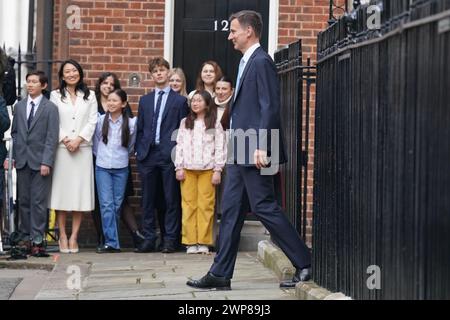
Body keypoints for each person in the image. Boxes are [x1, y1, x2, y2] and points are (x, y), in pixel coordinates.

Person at [187, 10, 312, 290]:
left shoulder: (261, 61)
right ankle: (220, 273)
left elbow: (270, 106)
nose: (230, 36)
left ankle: (304, 262)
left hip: (254, 149)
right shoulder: (247, 61)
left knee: (264, 207)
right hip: (240, 149)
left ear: (249, 32)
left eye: (233, 31)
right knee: (230, 211)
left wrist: (261, 146)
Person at [136, 57, 189, 253]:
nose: (159, 73)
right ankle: (149, 238)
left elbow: (183, 130)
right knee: (147, 200)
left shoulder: (180, 101)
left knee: (170, 199)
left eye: (162, 70)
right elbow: (140, 128)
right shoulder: (145, 100)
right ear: (151, 75)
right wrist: (139, 149)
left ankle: (170, 240)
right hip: (148, 154)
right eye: (155, 71)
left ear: (168, 72)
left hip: (169, 155)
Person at [5, 71, 58, 256]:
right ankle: (26, 238)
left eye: (35, 82)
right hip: (22, 160)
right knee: (24, 201)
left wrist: (47, 161)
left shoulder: (50, 108)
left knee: (38, 202)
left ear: (43, 85)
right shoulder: (19, 107)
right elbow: (15, 133)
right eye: (28, 81)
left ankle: (37, 239)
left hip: (40, 162)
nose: (30, 85)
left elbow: (52, 137)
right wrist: (13, 156)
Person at [49, 59, 98, 254]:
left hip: (83, 150)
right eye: (67, 71)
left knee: (79, 194)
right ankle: (62, 235)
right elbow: (53, 121)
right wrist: (66, 140)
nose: (71, 74)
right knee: (62, 194)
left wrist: (79, 139)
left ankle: (74, 237)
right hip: (62, 150)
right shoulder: (54, 95)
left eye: (74, 71)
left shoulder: (90, 95)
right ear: (62, 75)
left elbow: (93, 121)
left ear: (80, 73)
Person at [94, 72, 145, 250]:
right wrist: (102, 156)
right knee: (106, 205)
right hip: (102, 168)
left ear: (123, 104)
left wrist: (122, 156)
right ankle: (111, 242)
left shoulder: (131, 123)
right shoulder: (100, 121)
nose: (111, 103)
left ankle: (112, 241)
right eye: (109, 101)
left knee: (116, 206)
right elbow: (96, 143)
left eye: (115, 101)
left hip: (121, 167)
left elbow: (131, 146)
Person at [175, 90, 226, 254]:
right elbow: (180, 146)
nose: (195, 104)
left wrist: (218, 169)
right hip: (188, 170)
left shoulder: (214, 122)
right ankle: (190, 242)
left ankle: (204, 241)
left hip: (207, 170)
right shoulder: (185, 122)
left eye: (199, 101)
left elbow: (220, 147)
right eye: (193, 101)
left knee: (206, 206)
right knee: (189, 206)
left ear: (206, 103)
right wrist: (179, 167)